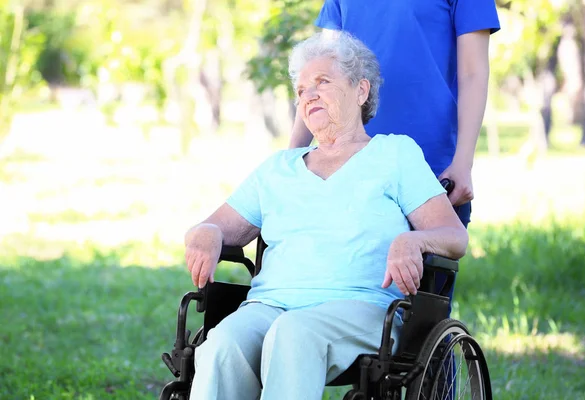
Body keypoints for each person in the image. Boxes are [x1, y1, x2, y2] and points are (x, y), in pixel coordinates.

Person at [185, 32, 468, 400]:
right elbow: (213, 226)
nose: (309, 96)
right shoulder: (277, 168)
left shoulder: (395, 155)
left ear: (360, 91)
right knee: (222, 342)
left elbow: (454, 236)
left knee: (293, 333)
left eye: (322, 82)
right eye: (301, 90)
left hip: (362, 309)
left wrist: (414, 239)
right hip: (271, 305)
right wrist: (206, 232)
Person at [289, 0, 501, 228]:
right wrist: (290, 160)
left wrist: (463, 163)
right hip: (346, 169)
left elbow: (473, 74)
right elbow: (319, 76)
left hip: (431, 171)